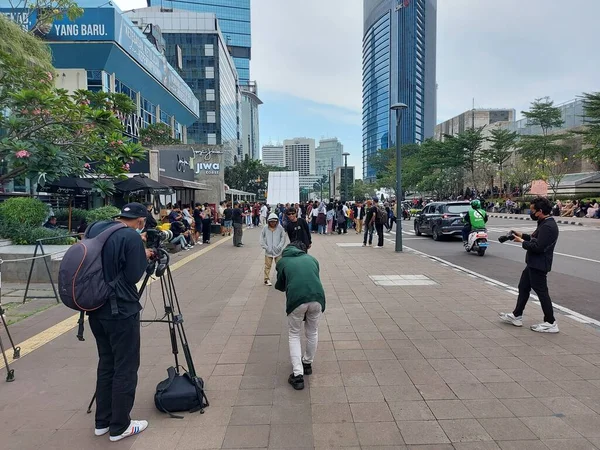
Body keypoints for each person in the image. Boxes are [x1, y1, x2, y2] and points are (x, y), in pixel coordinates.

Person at [85, 202, 152, 442]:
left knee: (107, 363)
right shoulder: (131, 237)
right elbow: (134, 275)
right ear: (141, 221)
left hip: (94, 308)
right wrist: (142, 253)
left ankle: (102, 422)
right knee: (126, 366)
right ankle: (120, 426)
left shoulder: (96, 228)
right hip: (121, 311)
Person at [500, 197, 560, 333]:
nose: (531, 213)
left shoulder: (549, 227)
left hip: (539, 265)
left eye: (532, 210)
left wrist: (521, 241)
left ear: (540, 211)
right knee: (523, 287)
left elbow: (538, 246)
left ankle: (551, 322)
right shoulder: (544, 222)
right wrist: (520, 234)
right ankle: (517, 315)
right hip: (533, 264)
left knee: (542, 293)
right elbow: (535, 238)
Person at [275, 241, 326, 390]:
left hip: (297, 300)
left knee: (294, 334)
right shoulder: (312, 259)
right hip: (317, 298)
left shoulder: (283, 261)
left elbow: (280, 285)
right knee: (312, 332)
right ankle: (307, 364)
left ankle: (298, 376)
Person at [260, 213, 286, 286]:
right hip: (268, 251)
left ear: (277, 221)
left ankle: (281, 280)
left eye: (274, 221)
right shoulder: (265, 228)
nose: (273, 223)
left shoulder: (280, 228)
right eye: (271, 221)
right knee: (267, 266)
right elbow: (261, 238)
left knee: (280, 266)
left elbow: (283, 238)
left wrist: (280, 246)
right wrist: (266, 247)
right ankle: (266, 279)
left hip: (278, 251)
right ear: (268, 221)